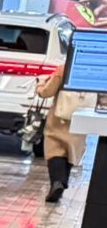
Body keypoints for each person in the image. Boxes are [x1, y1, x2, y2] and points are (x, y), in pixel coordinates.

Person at [37, 48, 98, 203]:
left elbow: (47, 92)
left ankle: (57, 183)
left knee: (55, 150)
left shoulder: (64, 68)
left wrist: (40, 86)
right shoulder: (97, 71)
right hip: (82, 117)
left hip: (59, 117)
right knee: (71, 151)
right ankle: (62, 181)